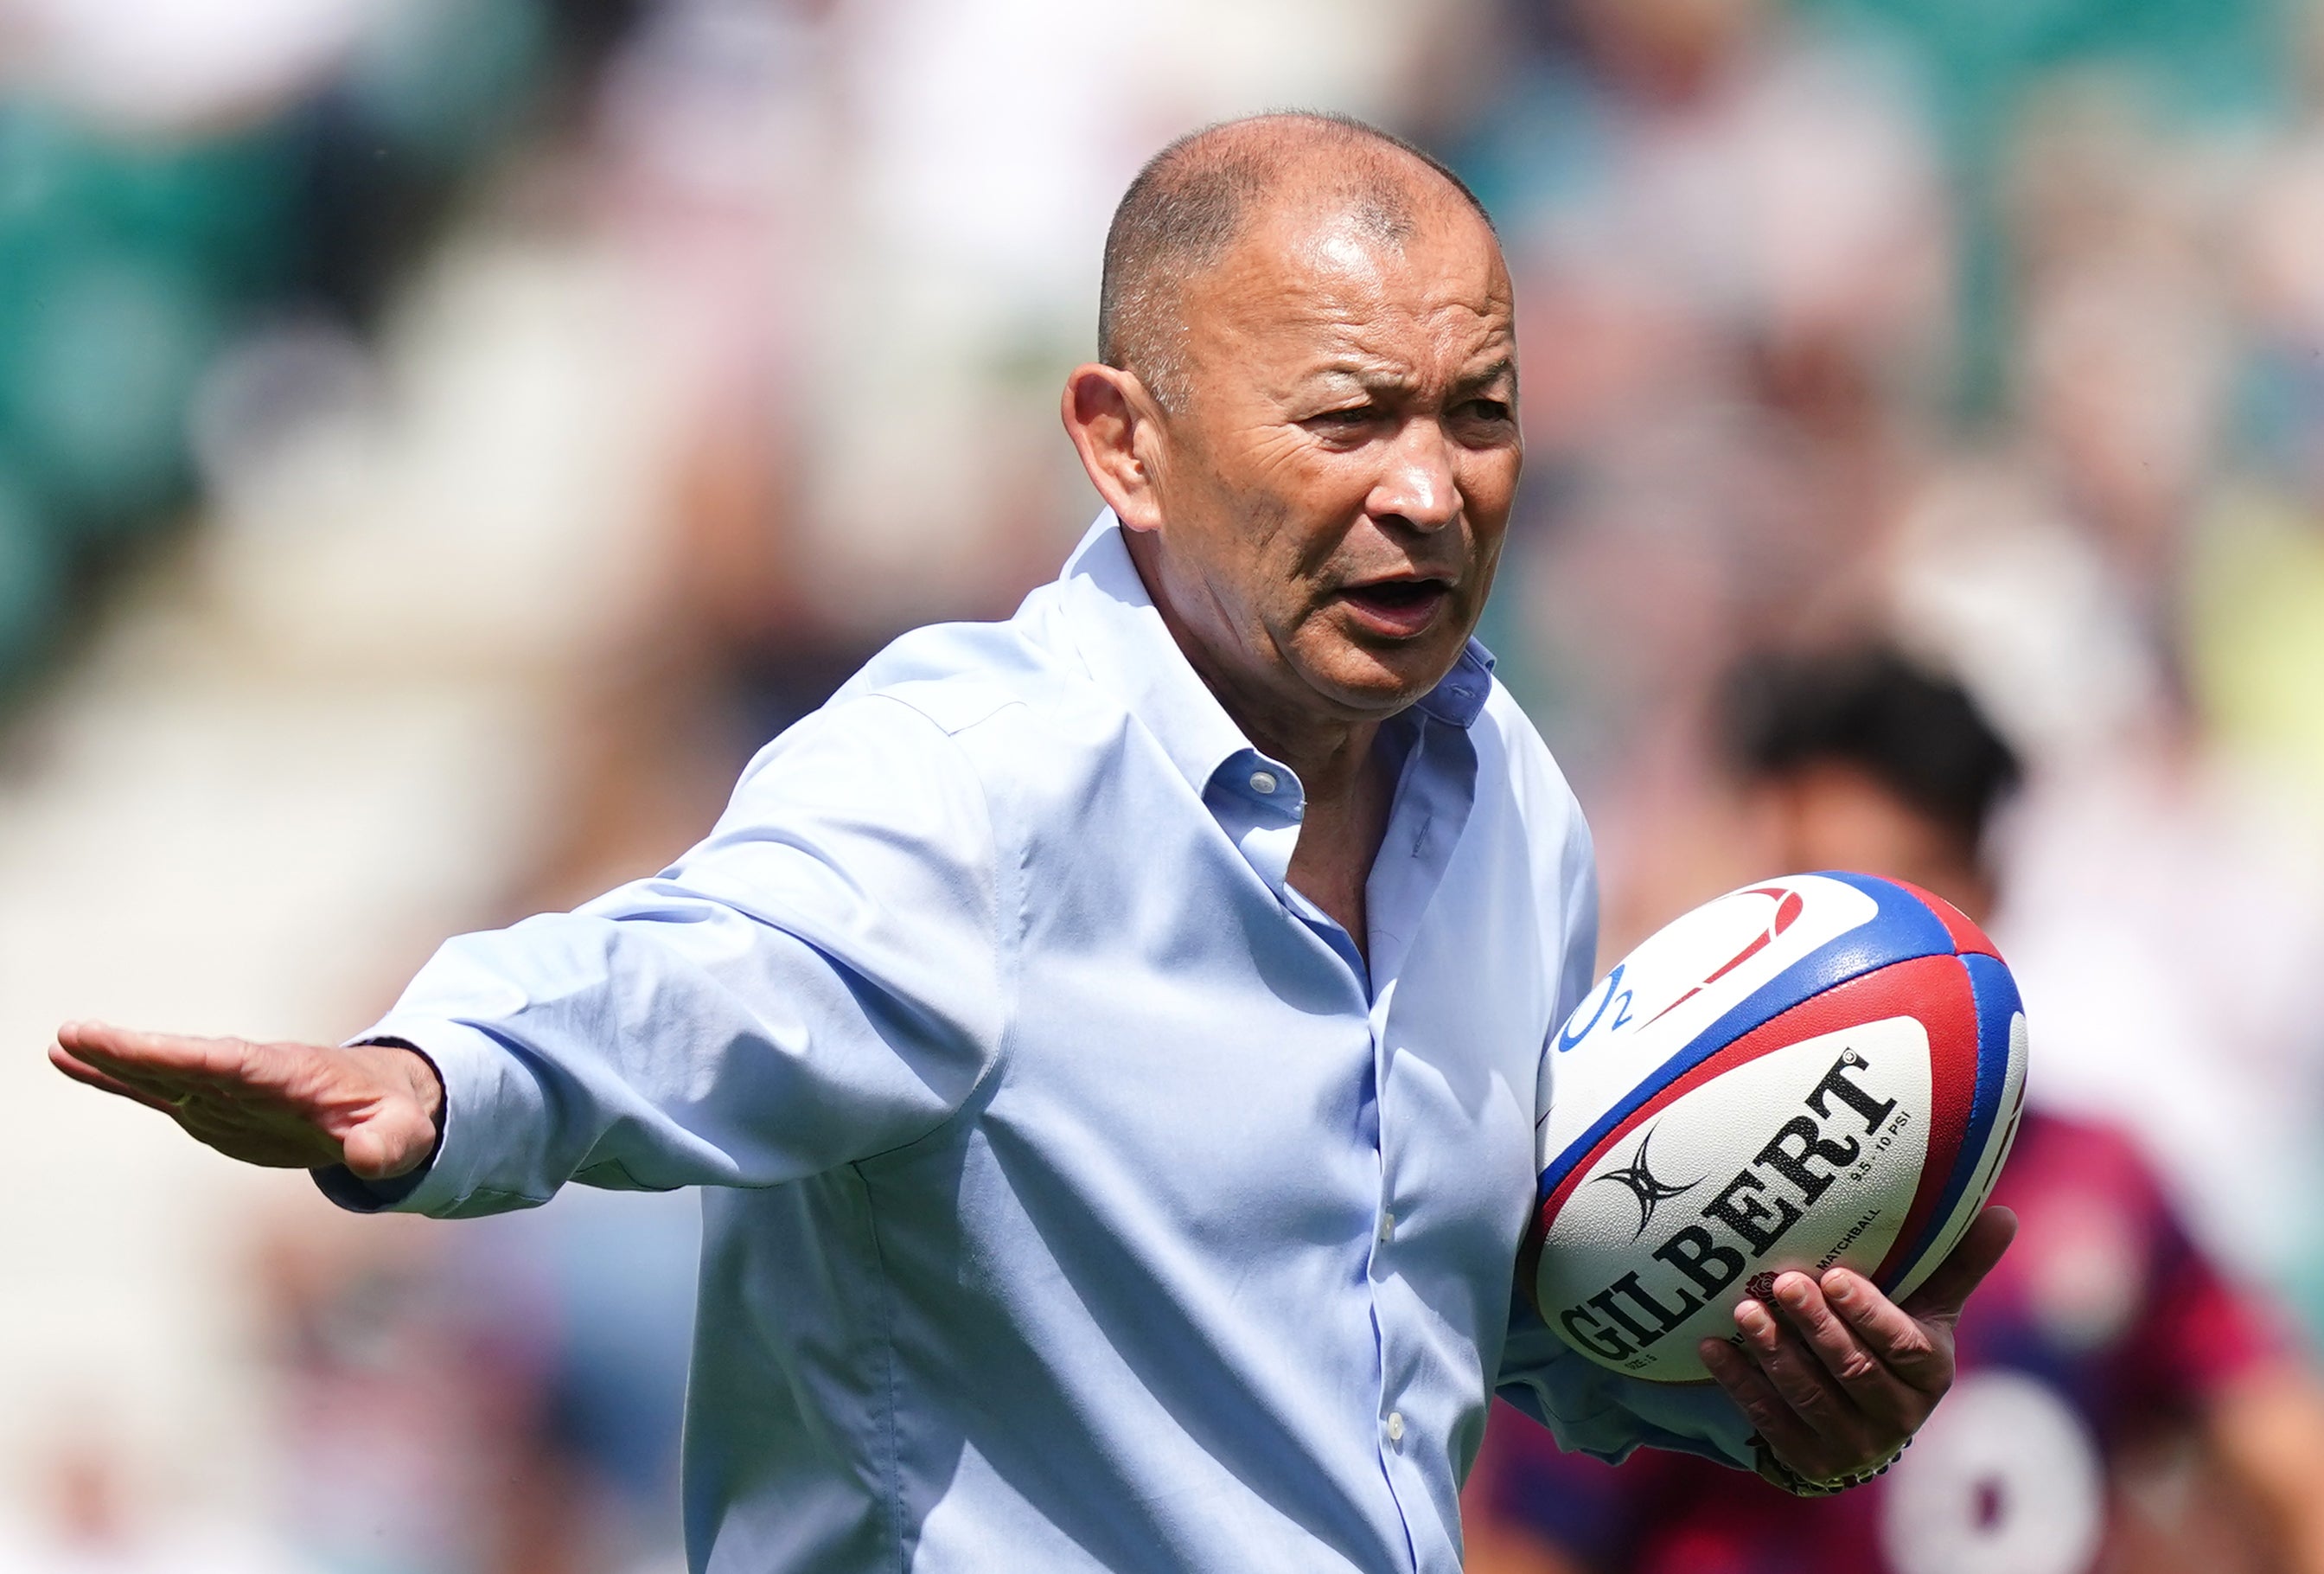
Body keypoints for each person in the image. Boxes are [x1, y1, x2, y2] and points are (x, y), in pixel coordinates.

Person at [47, 115, 2008, 1574]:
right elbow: (704, 969)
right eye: (1348, 415)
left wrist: (1741, 1396)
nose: (1429, 487)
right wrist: (443, 1071)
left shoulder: (1517, 810)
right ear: (1119, 437)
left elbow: (1416, 1326)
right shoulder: (978, 775)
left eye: (1479, 410)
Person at [1464, 644, 2324, 1574]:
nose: (1854, 966)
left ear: (1984, 891)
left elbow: (2291, 1463)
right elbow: (1525, 1541)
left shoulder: (2102, 1173)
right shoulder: (1652, 1206)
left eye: (1900, 892)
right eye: (1820, 884)